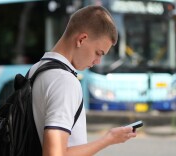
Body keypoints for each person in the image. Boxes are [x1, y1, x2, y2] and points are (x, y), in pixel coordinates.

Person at [29, 5, 137, 156]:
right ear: (81, 39)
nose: (97, 61)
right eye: (98, 53)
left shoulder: (37, 69)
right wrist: (108, 139)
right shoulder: (64, 81)